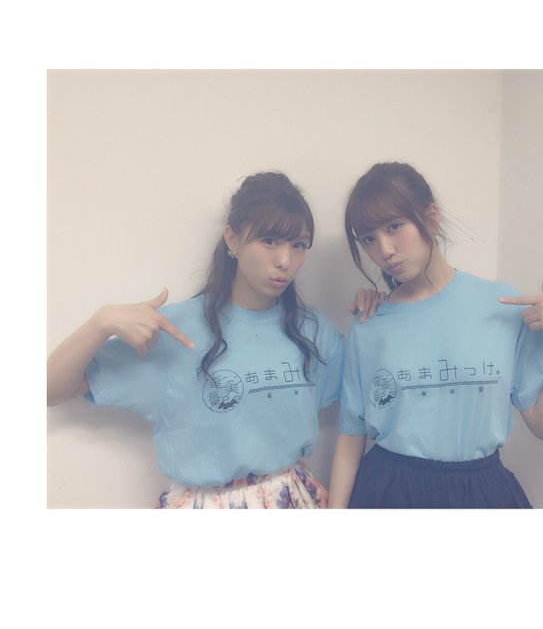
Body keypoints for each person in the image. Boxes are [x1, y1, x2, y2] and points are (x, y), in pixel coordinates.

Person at [47, 172, 344, 509]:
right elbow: (50, 389)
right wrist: (103, 322)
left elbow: (369, 398)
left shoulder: (312, 331)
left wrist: (381, 308)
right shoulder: (176, 331)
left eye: (299, 245)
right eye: (270, 241)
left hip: (294, 500)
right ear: (232, 239)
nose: (285, 261)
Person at [329, 162, 543, 508]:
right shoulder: (369, 322)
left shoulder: (502, 305)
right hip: (389, 491)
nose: (385, 250)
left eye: (394, 226)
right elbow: (351, 436)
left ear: (430, 217)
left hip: (480, 492)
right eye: (369, 239)